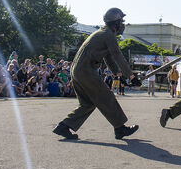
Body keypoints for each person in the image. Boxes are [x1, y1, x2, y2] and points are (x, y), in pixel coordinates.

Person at [53, 8, 138, 140]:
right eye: (121, 21)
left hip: (78, 69)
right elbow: (117, 55)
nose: (123, 24)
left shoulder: (103, 33)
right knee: (106, 97)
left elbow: (109, 57)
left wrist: (119, 75)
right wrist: (132, 76)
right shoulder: (108, 35)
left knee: (88, 103)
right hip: (86, 70)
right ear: (115, 23)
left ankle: (64, 126)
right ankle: (120, 128)